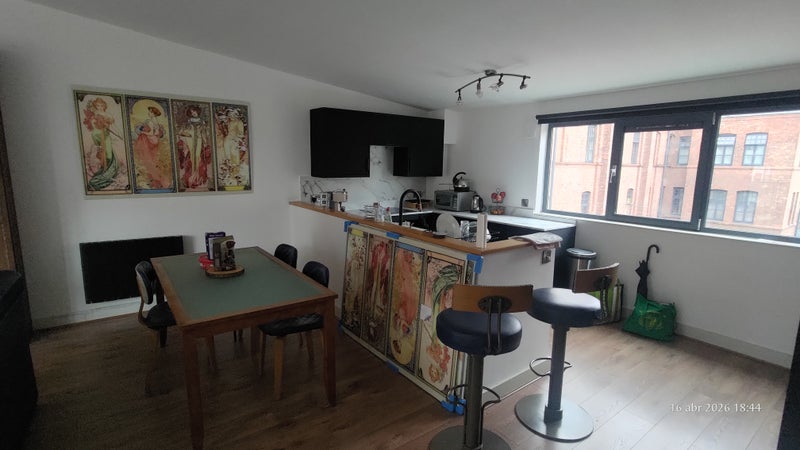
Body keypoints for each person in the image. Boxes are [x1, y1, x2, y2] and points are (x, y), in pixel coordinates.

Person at [84, 97, 120, 190]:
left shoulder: (107, 115)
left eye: (101, 105)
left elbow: (112, 124)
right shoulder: (95, 114)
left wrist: (106, 123)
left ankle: (107, 173)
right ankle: (103, 171)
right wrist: (96, 123)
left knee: (108, 155)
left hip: (105, 136)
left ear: (104, 106)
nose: (99, 107)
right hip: (98, 135)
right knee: (101, 153)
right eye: (98, 106)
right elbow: (93, 124)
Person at [177, 104, 210, 189]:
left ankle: (198, 177)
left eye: (194, 111)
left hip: (199, 140)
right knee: (191, 156)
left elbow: (204, 133)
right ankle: (191, 177)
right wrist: (188, 134)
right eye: (191, 112)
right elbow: (180, 132)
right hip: (190, 141)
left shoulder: (202, 123)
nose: (193, 113)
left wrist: (205, 142)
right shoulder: (187, 123)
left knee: (197, 156)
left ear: (197, 111)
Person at [133, 106, 166, 188]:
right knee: (153, 160)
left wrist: (142, 132)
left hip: (150, 141)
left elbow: (151, 133)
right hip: (155, 140)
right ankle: (155, 181)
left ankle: (155, 180)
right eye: (149, 111)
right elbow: (157, 133)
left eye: (151, 112)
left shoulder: (150, 121)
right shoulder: (156, 121)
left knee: (148, 160)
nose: (149, 113)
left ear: (154, 113)